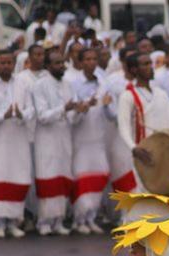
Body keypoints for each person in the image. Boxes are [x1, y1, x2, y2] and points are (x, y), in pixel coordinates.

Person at [0, 50, 34, 238]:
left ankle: (13, 222)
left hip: (18, 139)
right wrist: (2, 116)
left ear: (14, 64)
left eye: (9, 62)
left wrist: (21, 114)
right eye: (2, 63)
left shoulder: (22, 84)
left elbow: (30, 110)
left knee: (17, 177)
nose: (6, 66)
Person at [31, 48, 77, 236]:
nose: (61, 66)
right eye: (57, 63)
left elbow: (71, 113)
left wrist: (77, 110)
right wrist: (63, 109)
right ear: (48, 66)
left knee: (63, 177)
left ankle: (58, 221)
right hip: (46, 139)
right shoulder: (40, 85)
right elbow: (42, 116)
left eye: (62, 63)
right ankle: (44, 222)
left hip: (64, 137)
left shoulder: (68, 84)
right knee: (48, 178)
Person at [68, 48, 110, 234]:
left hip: (98, 138)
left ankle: (91, 216)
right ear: (80, 62)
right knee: (83, 178)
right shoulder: (74, 84)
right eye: (88, 59)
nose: (92, 62)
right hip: (81, 139)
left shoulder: (102, 83)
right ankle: (79, 219)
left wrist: (107, 105)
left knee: (99, 175)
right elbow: (72, 117)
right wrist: (84, 107)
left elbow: (111, 115)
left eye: (94, 58)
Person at [116, 52, 169, 177]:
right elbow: (123, 127)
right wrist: (134, 148)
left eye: (151, 63)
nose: (151, 67)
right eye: (145, 64)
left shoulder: (161, 93)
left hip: (166, 151)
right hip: (144, 153)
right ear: (134, 69)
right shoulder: (127, 96)